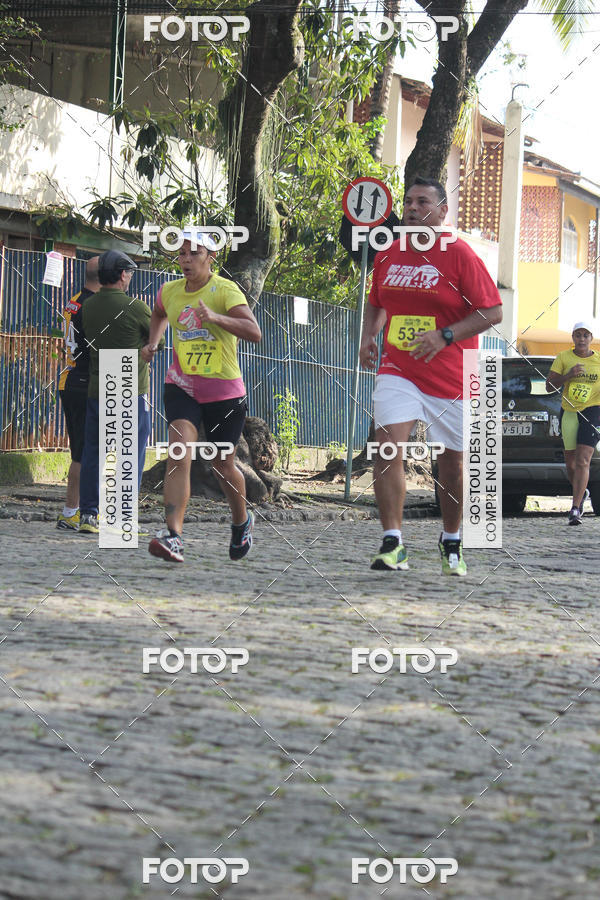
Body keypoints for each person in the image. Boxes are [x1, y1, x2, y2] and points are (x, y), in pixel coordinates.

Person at [359, 176, 503, 575]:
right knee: (388, 447)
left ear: (442, 212)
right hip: (399, 367)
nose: (412, 208)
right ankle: (393, 542)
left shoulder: (460, 254)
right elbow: (377, 303)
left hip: (454, 371)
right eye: (408, 202)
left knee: (452, 462)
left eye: (423, 202)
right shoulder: (387, 253)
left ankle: (451, 539)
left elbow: (493, 312)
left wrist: (446, 335)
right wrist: (369, 336)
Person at [142, 228, 261, 563]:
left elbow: (254, 332)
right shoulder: (170, 291)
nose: (186, 259)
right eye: (181, 253)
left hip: (223, 392)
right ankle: (173, 536)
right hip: (182, 386)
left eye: (194, 253)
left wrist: (216, 318)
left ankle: (241, 521)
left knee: (222, 464)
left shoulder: (225, 290)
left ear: (210, 257)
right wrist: (154, 341)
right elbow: (158, 313)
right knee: (180, 454)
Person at [78, 249, 165, 534]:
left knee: (94, 453)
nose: (130, 278)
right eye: (129, 273)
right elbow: (158, 343)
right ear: (122, 275)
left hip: (98, 387)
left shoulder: (88, 307)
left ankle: (89, 515)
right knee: (129, 456)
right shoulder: (135, 307)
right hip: (128, 388)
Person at [56, 256, 100, 530]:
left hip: (69, 378)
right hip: (87, 383)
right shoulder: (95, 306)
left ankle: (72, 511)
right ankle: (77, 511)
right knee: (87, 453)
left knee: (80, 452)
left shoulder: (74, 300)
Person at [546, 321, 600, 525]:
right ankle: (581, 491)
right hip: (569, 412)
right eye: (578, 335)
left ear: (591, 338)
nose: (582, 339)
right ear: (573, 338)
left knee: (583, 460)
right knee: (570, 464)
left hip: (594, 411)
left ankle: (575, 509)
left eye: (586, 335)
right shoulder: (563, 357)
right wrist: (569, 375)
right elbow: (549, 386)